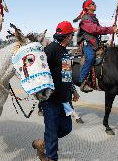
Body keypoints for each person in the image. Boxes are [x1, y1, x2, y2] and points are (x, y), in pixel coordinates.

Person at [32, 21, 80, 161]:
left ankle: (42, 143)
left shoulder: (65, 51)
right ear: (67, 36)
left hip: (65, 99)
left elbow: (67, 75)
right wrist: (40, 94)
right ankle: (51, 157)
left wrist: (73, 90)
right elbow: (39, 71)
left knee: (67, 128)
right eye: (71, 34)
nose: (72, 36)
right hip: (51, 100)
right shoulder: (51, 50)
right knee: (52, 132)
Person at [75, 0, 118, 92]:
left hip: (95, 43)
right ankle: (82, 81)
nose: (95, 5)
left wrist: (112, 28)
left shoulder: (94, 18)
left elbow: (99, 30)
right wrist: (110, 29)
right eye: (92, 4)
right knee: (90, 58)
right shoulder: (85, 18)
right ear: (87, 7)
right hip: (87, 44)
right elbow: (94, 29)